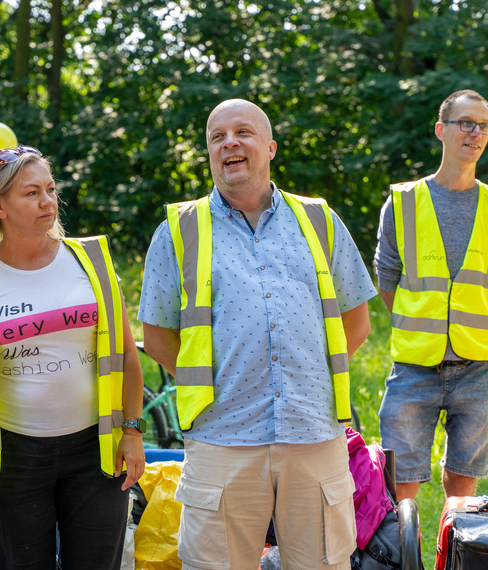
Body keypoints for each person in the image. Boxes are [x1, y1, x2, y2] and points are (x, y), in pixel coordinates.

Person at [139, 98, 375, 569]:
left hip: (313, 432)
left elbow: (356, 320)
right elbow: (158, 335)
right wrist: (216, 384)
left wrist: (307, 381)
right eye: (216, 137)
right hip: (221, 437)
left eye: (243, 132)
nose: (229, 142)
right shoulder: (178, 230)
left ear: (269, 147)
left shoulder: (319, 220)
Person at [0, 145, 145, 570]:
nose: (47, 201)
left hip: (96, 450)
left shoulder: (90, 260)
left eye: (50, 189)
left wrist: (133, 431)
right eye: (31, 193)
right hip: (14, 456)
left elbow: (127, 355)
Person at [373, 89, 488, 501]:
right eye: (465, 123)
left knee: (464, 487)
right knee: (401, 486)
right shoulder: (403, 202)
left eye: (483, 126)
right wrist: (426, 320)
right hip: (415, 365)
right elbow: (387, 280)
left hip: (479, 369)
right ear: (441, 130)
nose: (475, 133)